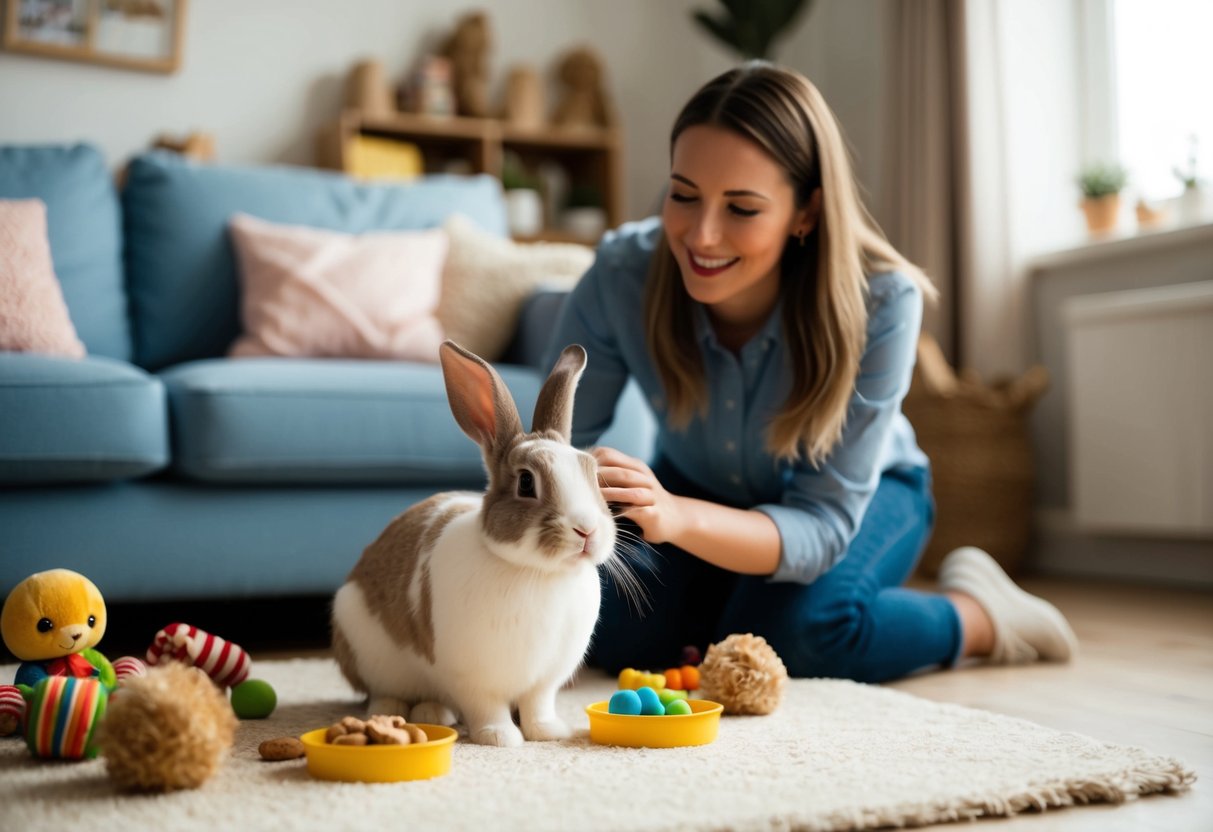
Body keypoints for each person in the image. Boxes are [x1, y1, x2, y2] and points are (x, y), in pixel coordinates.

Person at [543, 62, 1077, 683]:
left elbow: (822, 526)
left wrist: (678, 517)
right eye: (683, 194)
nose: (701, 234)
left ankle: (981, 615)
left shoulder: (882, 301)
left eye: (742, 208)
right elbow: (555, 437)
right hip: (701, 484)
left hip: (865, 497)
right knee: (613, 628)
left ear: (807, 212)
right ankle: (721, 613)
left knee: (796, 639)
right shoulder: (621, 274)